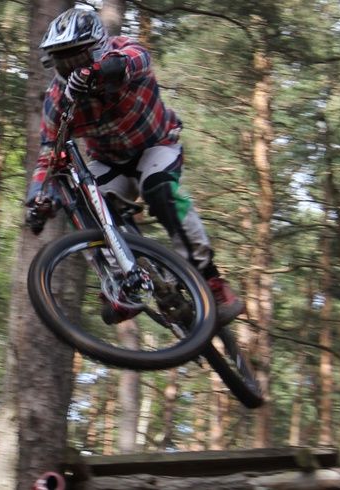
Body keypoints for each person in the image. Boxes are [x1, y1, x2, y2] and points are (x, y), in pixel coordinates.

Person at [26, 8, 243, 327]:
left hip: (157, 145)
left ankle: (209, 279)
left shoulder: (124, 50)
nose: (72, 70)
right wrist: (38, 198)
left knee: (160, 189)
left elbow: (137, 58)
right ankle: (120, 279)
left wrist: (105, 70)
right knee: (85, 203)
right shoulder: (58, 100)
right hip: (110, 161)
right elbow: (50, 152)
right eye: (64, 63)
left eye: (78, 59)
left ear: (99, 48)